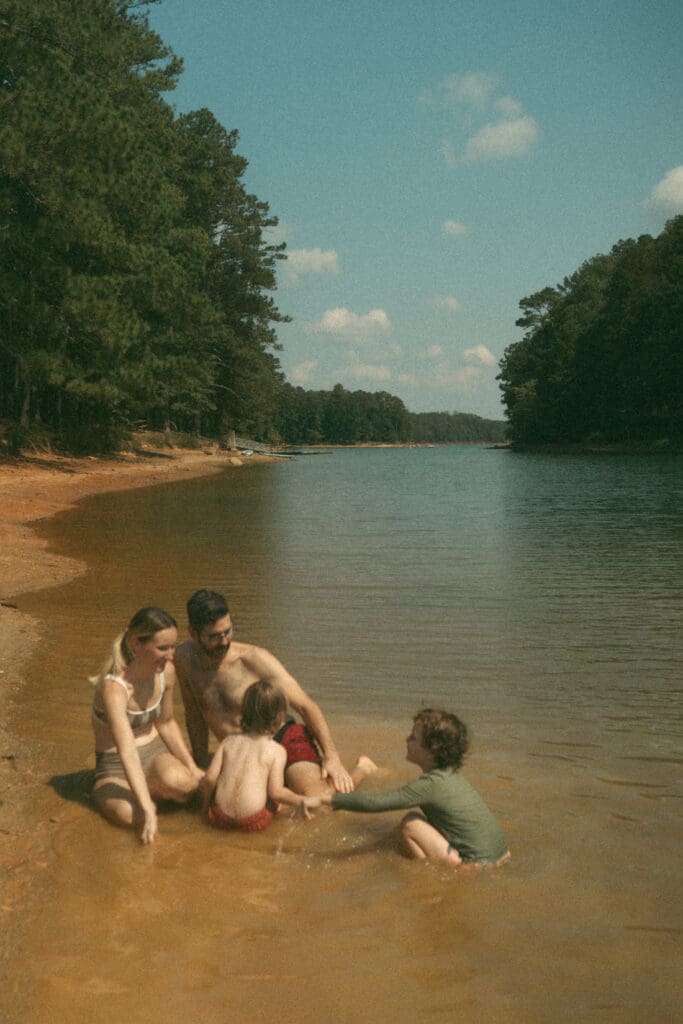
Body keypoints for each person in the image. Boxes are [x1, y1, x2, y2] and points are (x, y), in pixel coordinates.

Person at [172, 589, 354, 796]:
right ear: (193, 633)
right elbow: (194, 714)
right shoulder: (183, 660)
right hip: (241, 752)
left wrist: (332, 758)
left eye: (228, 632)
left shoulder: (254, 659)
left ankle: (362, 769)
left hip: (282, 739)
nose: (224, 641)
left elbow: (306, 706)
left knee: (319, 801)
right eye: (214, 636)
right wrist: (200, 761)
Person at [302, 708, 510, 869]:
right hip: (500, 855)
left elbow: (375, 803)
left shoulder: (429, 786)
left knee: (411, 824)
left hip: (478, 866)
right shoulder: (451, 774)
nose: (407, 740)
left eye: (413, 738)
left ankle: (440, 873)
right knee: (418, 823)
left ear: (431, 752)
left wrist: (324, 800)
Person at [91, 607, 204, 844]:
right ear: (136, 644)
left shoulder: (166, 673)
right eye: (163, 648)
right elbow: (126, 750)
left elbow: (166, 722)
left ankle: (153, 789)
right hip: (115, 763)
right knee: (133, 816)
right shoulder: (113, 688)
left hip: (154, 753)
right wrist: (148, 811)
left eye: (173, 646)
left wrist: (192, 767)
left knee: (185, 785)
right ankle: (139, 797)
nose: (171, 655)